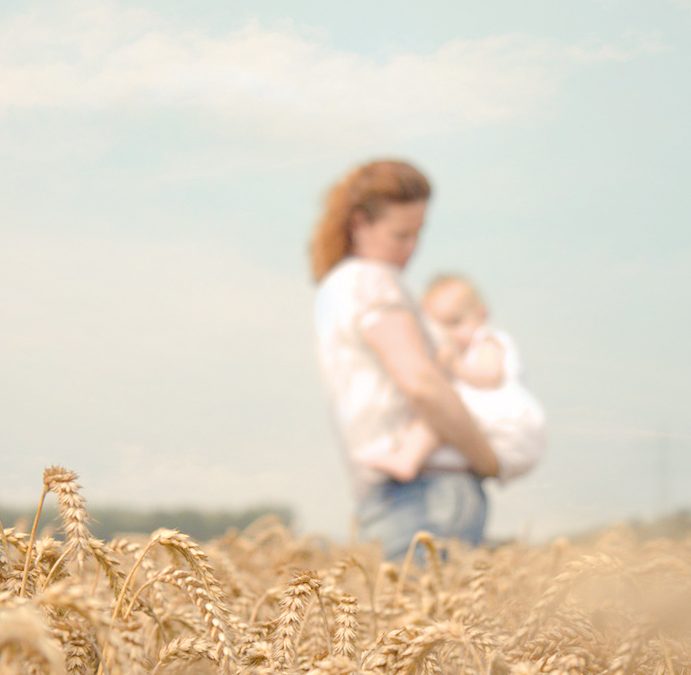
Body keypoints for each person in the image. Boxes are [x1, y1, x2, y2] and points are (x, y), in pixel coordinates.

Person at [311, 159, 500, 560]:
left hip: (415, 495)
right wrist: (487, 459)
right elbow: (422, 383)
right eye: (400, 236)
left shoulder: (337, 287)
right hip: (423, 497)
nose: (411, 249)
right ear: (359, 224)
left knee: (418, 621)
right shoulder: (370, 280)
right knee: (429, 621)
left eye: (418, 234)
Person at [360, 274, 546, 484]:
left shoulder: (488, 341)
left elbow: (490, 376)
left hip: (509, 419)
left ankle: (406, 458)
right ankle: (413, 459)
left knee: (439, 410)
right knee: (442, 426)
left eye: (455, 322)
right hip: (495, 438)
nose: (448, 335)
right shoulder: (460, 353)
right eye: (440, 328)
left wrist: (455, 366)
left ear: (482, 315)